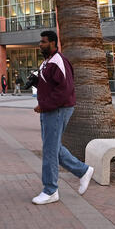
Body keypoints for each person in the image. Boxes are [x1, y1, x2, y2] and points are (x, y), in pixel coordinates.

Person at [32, 31, 94, 205]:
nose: (40, 44)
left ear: (53, 43)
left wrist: (44, 105)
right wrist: (37, 82)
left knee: (50, 150)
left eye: (43, 42)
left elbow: (65, 89)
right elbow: (51, 84)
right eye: (40, 42)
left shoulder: (59, 61)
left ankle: (50, 190)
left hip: (58, 110)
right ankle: (83, 170)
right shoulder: (47, 62)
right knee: (53, 147)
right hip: (50, 110)